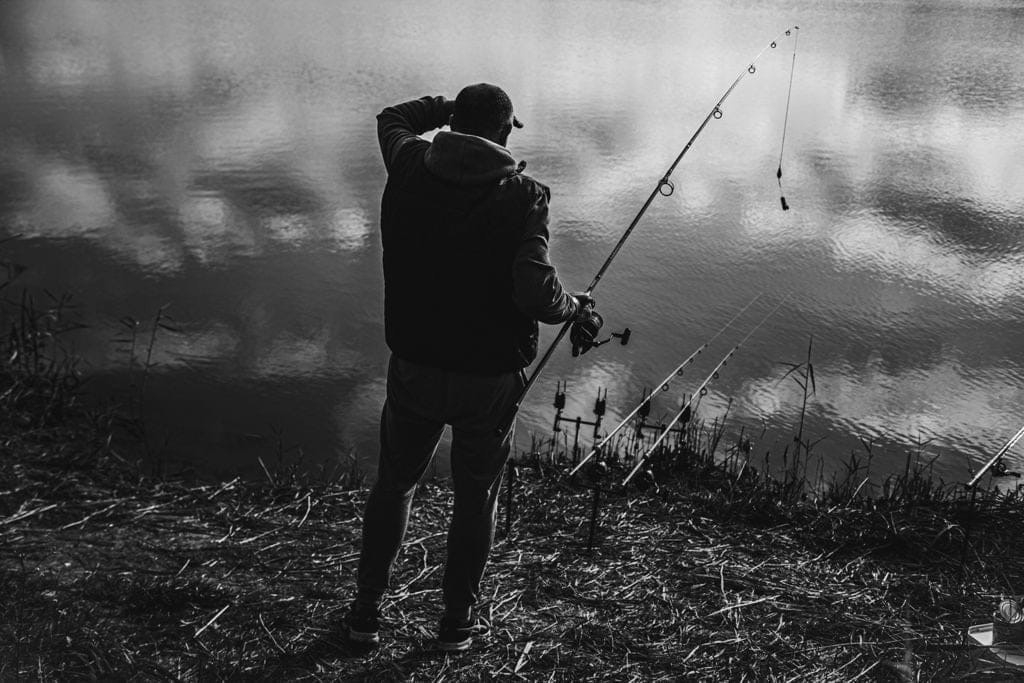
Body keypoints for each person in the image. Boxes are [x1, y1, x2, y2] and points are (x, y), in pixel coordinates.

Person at [347, 83, 597, 652]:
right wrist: (573, 307)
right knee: (474, 496)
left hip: (414, 364)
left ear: (454, 123)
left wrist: (443, 109)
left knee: (394, 487)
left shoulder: (408, 163)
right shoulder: (525, 195)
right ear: (507, 133)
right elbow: (535, 292)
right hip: (488, 378)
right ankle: (456, 622)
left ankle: (365, 614)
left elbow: (392, 116)